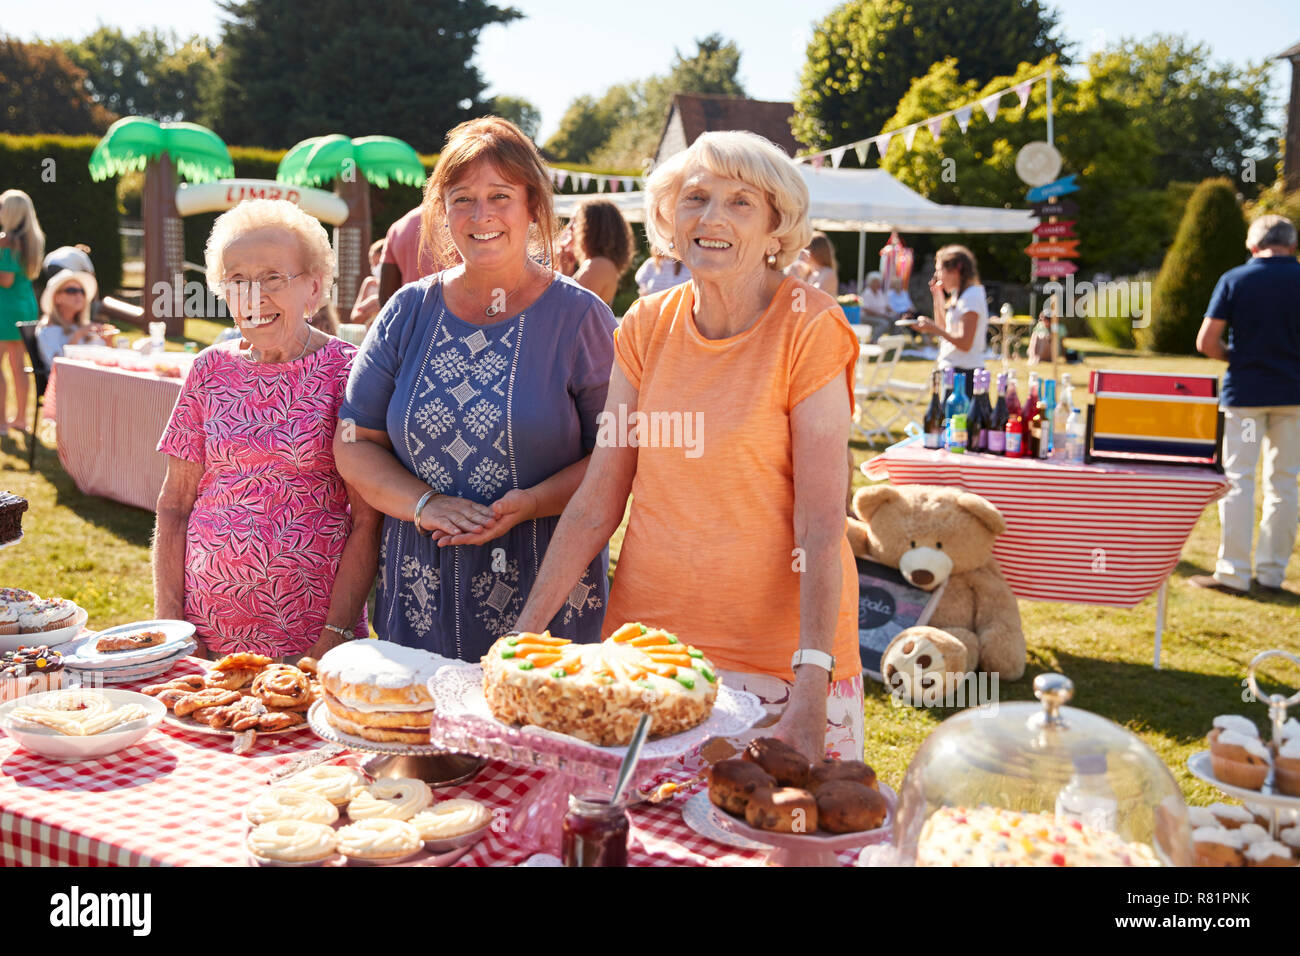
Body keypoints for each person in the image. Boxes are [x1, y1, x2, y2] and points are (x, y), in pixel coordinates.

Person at [512, 130, 863, 763]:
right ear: (671, 219)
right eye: (696, 198)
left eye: (740, 202)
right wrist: (521, 638)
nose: (712, 218)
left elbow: (820, 520)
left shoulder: (810, 325)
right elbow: (599, 498)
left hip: (780, 661)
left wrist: (812, 682)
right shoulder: (645, 326)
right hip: (648, 655)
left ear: (777, 227)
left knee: (771, 838)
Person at [334, 117, 616, 661]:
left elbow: (616, 459)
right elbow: (354, 440)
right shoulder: (407, 312)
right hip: (416, 602)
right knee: (413, 742)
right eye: (462, 198)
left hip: (547, 604)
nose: (481, 214)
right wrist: (424, 504)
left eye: (500, 196)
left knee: (531, 742)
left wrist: (530, 503)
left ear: (533, 206)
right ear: (441, 211)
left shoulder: (582, 319)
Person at [153, 198, 380, 659]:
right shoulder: (208, 370)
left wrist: (332, 637)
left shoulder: (349, 372)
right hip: (203, 637)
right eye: (237, 281)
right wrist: (172, 626)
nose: (254, 296)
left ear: (313, 290)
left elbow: (367, 520)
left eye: (274, 278)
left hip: (311, 638)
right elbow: (175, 506)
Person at [1192, 214, 1300, 597]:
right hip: (1293, 401)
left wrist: (1236, 358)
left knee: (1239, 481)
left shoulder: (1237, 279)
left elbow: (1207, 342)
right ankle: (1272, 574)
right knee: (1284, 484)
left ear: (1253, 246)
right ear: (1292, 244)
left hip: (1248, 400)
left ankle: (1233, 572)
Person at [915, 245, 987, 397]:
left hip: (965, 375)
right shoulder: (961, 295)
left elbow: (965, 343)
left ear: (956, 270)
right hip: (955, 371)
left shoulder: (971, 297)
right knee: (946, 420)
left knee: (954, 420)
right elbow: (944, 329)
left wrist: (934, 329)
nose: (936, 275)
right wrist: (938, 298)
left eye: (939, 269)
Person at [0, 189, 44, 432]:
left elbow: (4, 279)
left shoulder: (7, 240)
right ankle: (20, 420)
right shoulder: (31, 239)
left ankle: (2, 423)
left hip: (5, 308)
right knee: (19, 364)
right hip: (24, 305)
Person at [558, 199, 634, 306]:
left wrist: (562, 275)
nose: (569, 227)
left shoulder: (598, 265)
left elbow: (567, 308)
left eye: (575, 221)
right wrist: (565, 271)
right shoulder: (599, 264)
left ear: (591, 227)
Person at [36, 269, 117, 367]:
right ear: (57, 298)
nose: (79, 295)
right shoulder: (48, 330)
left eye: (82, 291)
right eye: (71, 291)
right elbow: (57, 367)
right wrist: (78, 335)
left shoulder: (85, 327)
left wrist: (108, 341)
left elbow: (105, 360)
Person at [378, 206, 445, 309]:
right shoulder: (463, 224)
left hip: (411, 317)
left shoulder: (397, 228)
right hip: (457, 319)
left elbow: (386, 298)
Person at [786, 231, 838, 296]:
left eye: (805, 250)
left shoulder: (828, 272)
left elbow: (814, 296)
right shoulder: (811, 273)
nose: (801, 253)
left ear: (816, 252)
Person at [349, 239, 385, 326]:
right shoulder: (369, 283)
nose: (374, 268)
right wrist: (370, 310)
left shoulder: (398, 285)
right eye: (372, 264)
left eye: (378, 264)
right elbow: (354, 318)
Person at [858, 270, 893, 340]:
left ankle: (893, 340)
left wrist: (893, 312)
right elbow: (866, 310)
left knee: (895, 319)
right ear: (870, 283)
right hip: (867, 317)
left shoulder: (880, 292)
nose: (877, 284)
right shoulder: (867, 293)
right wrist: (881, 315)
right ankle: (873, 340)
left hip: (880, 315)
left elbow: (885, 305)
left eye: (878, 282)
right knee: (884, 323)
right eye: (875, 282)